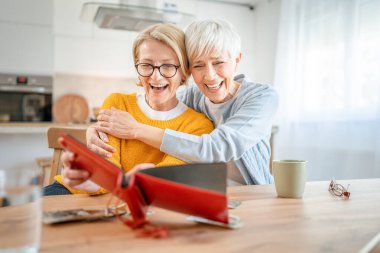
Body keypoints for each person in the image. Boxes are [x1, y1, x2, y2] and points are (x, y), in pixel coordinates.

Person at [89, 19, 279, 186]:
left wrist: (136, 129)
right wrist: (93, 131)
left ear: (236, 60)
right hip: (204, 193)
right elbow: (155, 111)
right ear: (187, 70)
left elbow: (216, 148)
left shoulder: (262, 97)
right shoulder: (192, 97)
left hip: (252, 193)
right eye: (198, 65)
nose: (210, 76)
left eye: (218, 62)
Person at [42, 23, 214, 196]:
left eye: (168, 66)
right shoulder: (117, 103)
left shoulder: (199, 126)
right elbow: (105, 173)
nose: (155, 76)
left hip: (142, 201)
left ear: (183, 72)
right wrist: (88, 179)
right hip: (80, 194)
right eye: (146, 65)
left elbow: (158, 183)